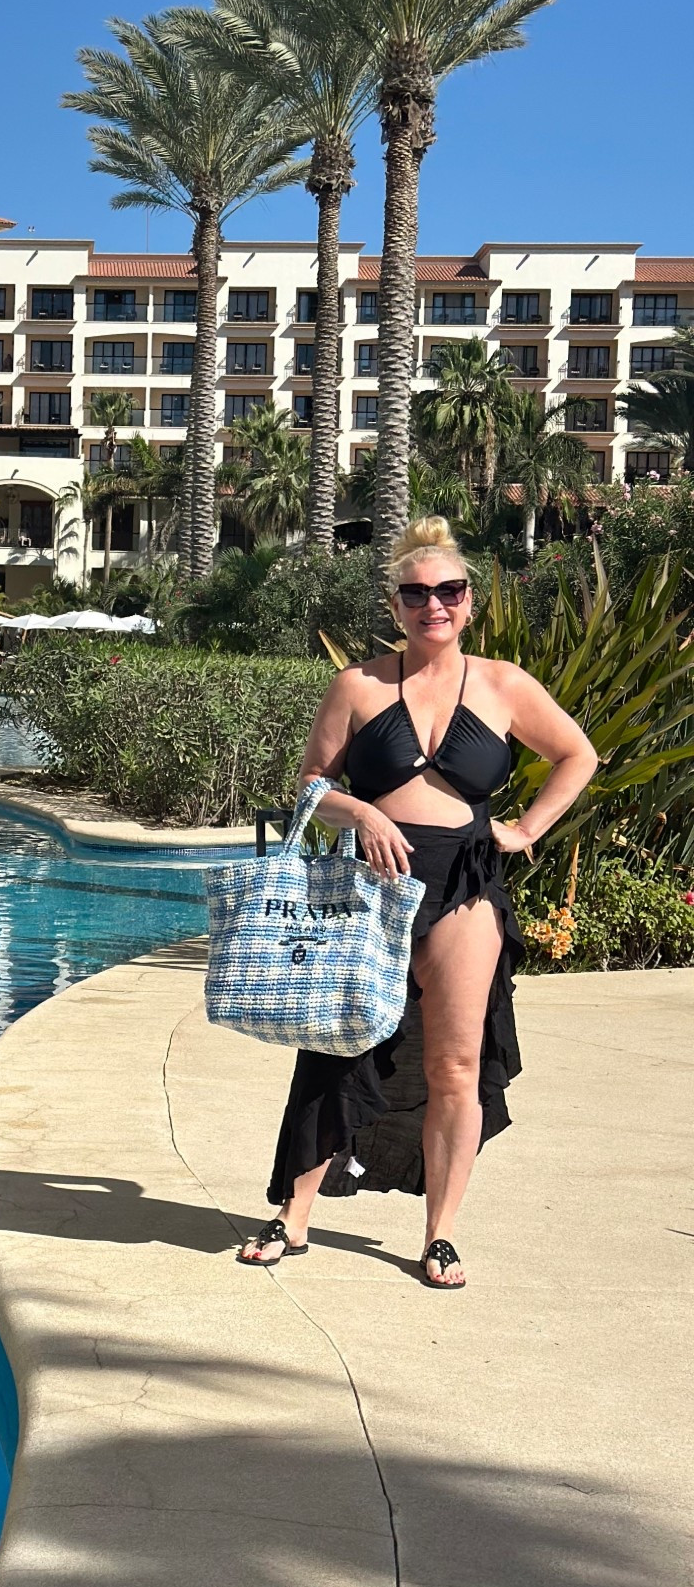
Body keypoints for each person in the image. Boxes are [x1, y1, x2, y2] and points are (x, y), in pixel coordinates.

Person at [237, 517, 597, 1290]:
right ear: (395, 606)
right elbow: (309, 786)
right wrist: (362, 812)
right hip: (373, 886)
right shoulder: (359, 685)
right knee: (338, 1045)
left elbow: (578, 754)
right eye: (416, 593)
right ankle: (293, 1217)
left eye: (449, 591)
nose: (433, 604)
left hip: (465, 883)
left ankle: (440, 1235)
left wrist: (527, 827)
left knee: (456, 1064)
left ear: (470, 604)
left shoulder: (503, 685)